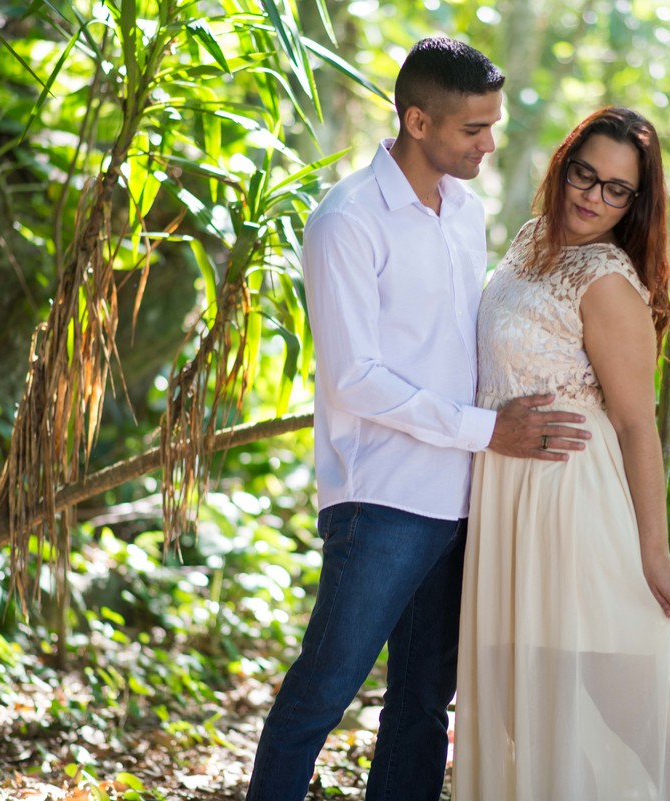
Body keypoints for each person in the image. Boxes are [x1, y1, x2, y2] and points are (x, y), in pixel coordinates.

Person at [244, 38, 591, 801]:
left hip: (463, 500)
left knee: (424, 705)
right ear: (418, 121)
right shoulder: (347, 220)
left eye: (493, 125)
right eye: (474, 128)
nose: (489, 144)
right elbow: (355, 378)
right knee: (320, 694)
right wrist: (486, 430)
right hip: (382, 501)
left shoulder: (466, 213)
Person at [453, 107, 670, 800]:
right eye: (585, 175)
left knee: (622, 701)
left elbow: (636, 425)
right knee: (526, 705)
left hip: (573, 504)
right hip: (507, 499)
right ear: (564, 164)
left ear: (635, 202)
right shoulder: (531, 238)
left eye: (616, 190)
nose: (593, 197)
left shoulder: (606, 279)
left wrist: (655, 551)